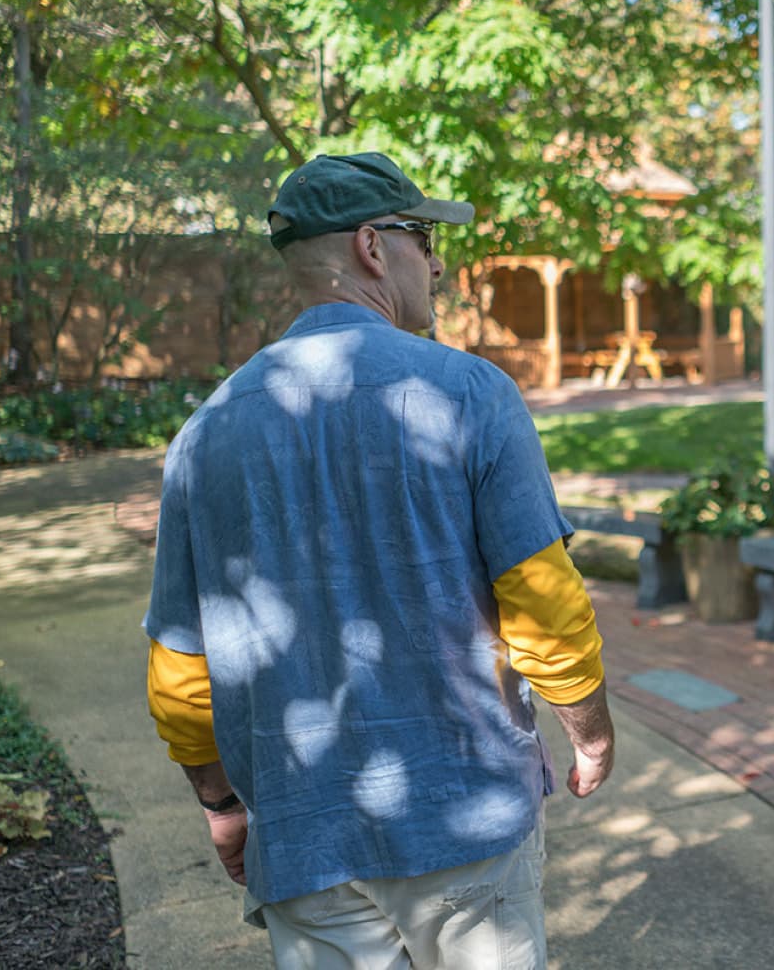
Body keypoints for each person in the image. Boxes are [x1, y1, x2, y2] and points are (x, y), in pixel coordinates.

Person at [144, 151, 614, 969]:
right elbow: (541, 604)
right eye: (423, 237)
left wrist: (221, 803)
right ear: (372, 246)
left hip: (300, 837)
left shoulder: (204, 434)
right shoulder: (470, 393)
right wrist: (592, 733)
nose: (436, 262)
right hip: (459, 820)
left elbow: (182, 667)